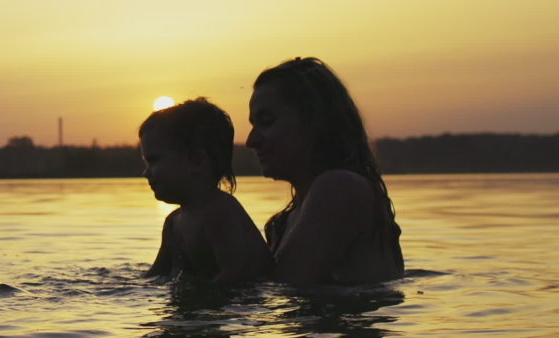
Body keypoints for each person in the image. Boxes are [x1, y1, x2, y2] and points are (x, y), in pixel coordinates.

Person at [246, 57, 405, 285]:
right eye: (253, 124)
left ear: (315, 121)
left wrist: (222, 216)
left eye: (267, 121)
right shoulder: (282, 223)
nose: (252, 141)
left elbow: (281, 288)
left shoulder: (340, 189)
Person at [141, 98, 273, 283]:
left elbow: (238, 276)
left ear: (196, 161)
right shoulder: (173, 223)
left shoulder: (219, 212)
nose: (146, 173)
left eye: (154, 161)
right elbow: (154, 277)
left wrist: (199, 289)